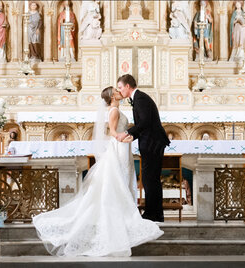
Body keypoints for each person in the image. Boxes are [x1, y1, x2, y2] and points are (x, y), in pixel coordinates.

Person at [33, 86, 163, 256]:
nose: (119, 92)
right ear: (112, 96)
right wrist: (125, 137)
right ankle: (123, 212)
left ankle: (124, 210)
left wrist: (127, 136)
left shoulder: (114, 109)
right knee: (120, 177)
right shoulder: (114, 110)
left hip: (122, 146)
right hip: (120, 147)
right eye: (116, 91)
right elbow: (113, 132)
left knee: (122, 177)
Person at [116, 74, 170, 222]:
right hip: (151, 142)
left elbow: (145, 122)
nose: (120, 91)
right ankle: (155, 213)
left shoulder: (140, 99)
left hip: (153, 144)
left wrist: (127, 132)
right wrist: (133, 136)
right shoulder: (139, 98)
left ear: (128, 86)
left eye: (120, 87)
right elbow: (145, 125)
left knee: (149, 179)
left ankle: (153, 214)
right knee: (150, 179)